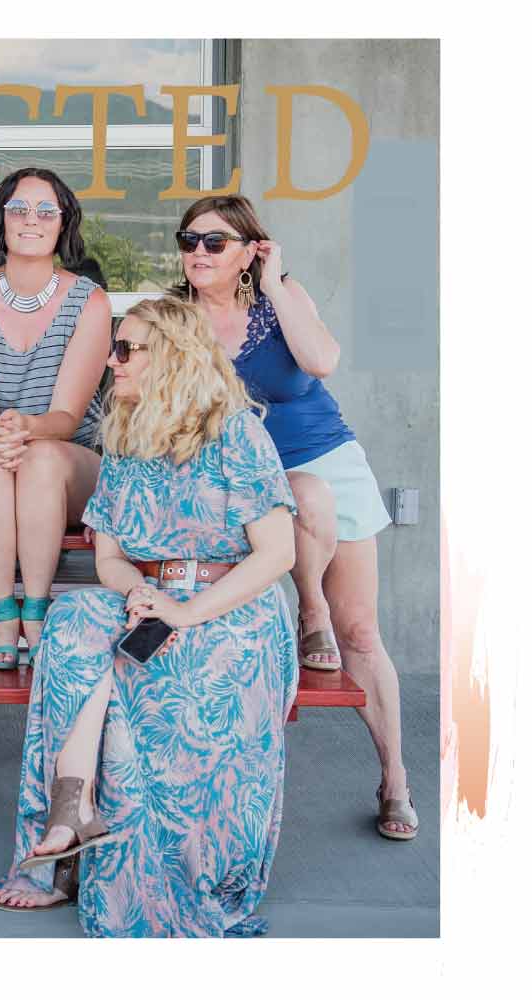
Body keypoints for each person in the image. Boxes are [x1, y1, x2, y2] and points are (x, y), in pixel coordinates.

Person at [0, 296, 298, 936]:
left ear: (173, 357)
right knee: (73, 625)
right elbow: (109, 558)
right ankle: (71, 810)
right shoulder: (126, 433)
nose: (112, 360)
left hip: (232, 615)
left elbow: (277, 556)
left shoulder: (236, 431)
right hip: (151, 603)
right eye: (113, 348)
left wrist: (184, 611)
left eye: (126, 349)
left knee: (136, 698)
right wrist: (141, 596)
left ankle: (101, 857)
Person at [173, 194, 416, 841]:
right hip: (233, 481)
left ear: (251, 250)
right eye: (189, 239)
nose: (198, 252)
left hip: (324, 461)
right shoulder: (177, 320)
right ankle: (308, 611)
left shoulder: (283, 298)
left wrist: (276, 283)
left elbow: (321, 361)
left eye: (215, 242)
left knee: (360, 631)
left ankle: (395, 778)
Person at [0, 167, 113, 668]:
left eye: (46, 211)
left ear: (64, 224)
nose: (31, 220)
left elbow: (66, 413)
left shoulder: (89, 302)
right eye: (18, 209)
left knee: (38, 460)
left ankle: (37, 611)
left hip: (68, 458)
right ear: (1, 219)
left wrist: (27, 430)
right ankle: (2, 614)